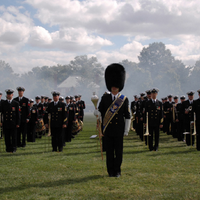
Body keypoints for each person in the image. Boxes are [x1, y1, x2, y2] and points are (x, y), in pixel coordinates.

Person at [95, 63, 130, 177]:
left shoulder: (123, 99)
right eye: (112, 85)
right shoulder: (104, 98)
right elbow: (100, 111)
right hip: (108, 130)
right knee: (109, 152)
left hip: (119, 130)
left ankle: (118, 170)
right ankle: (110, 171)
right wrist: (97, 112)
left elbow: (127, 115)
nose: (114, 87)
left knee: (118, 152)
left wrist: (126, 130)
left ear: (119, 86)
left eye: (116, 85)